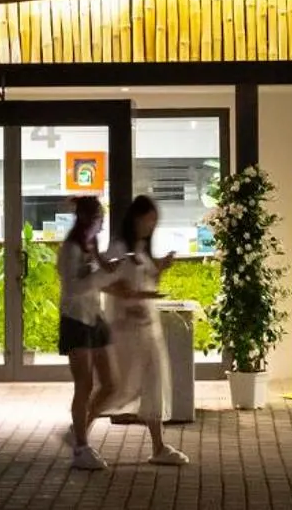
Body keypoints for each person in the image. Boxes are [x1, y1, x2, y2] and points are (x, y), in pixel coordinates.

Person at [103, 195, 189, 466]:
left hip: (148, 329)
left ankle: (158, 445)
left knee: (153, 383)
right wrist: (128, 301)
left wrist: (160, 267)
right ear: (136, 218)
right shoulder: (120, 248)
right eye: (148, 219)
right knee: (120, 388)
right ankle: (80, 429)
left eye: (154, 221)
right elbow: (106, 281)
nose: (151, 226)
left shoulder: (141, 250)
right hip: (128, 331)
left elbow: (148, 283)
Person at [57, 196, 119, 472]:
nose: (102, 226)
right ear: (87, 220)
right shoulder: (71, 248)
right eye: (99, 220)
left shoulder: (91, 246)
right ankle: (81, 447)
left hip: (94, 318)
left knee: (110, 384)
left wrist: (110, 275)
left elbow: (96, 281)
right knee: (84, 384)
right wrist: (102, 276)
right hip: (76, 320)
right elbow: (73, 288)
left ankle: (78, 428)